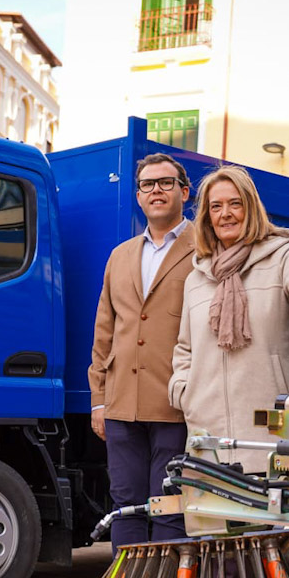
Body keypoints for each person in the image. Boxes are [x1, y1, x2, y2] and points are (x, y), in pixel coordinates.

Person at [170, 165, 289, 474]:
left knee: (278, 521)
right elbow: (184, 349)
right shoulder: (196, 278)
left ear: (250, 207)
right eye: (216, 206)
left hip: (272, 429)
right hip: (207, 435)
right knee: (213, 522)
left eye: (235, 203)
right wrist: (184, 391)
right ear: (207, 217)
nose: (226, 214)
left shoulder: (281, 254)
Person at [89, 153, 196, 552]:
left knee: (169, 508)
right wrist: (99, 400)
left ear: (184, 192)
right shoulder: (121, 255)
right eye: (148, 184)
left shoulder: (204, 249)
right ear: (138, 196)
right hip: (121, 405)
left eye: (166, 183)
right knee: (126, 506)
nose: (156, 191)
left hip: (176, 404)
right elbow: (105, 330)